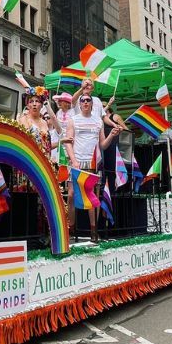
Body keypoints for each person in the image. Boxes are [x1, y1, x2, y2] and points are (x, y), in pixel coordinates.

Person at [65, 92, 121, 242]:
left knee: (93, 197)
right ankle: (70, 230)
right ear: (79, 103)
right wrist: (73, 160)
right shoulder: (73, 120)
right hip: (76, 161)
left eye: (88, 100)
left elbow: (103, 144)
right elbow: (68, 142)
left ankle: (94, 231)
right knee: (71, 195)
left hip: (94, 163)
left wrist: (111, 135)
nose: (85, 102)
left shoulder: (98, 121)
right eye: (82, 100)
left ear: (92, 103)